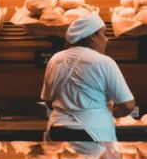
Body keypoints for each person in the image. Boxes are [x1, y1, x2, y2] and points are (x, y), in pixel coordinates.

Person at [41, 12, 137, 142]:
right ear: (92, 37)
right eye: (103, 34)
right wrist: (105, 115)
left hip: (58, 132)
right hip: (94, 133)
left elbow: (48, 100)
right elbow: (128, 106)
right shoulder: (104, 62)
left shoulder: (55, 59)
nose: (106, 39)